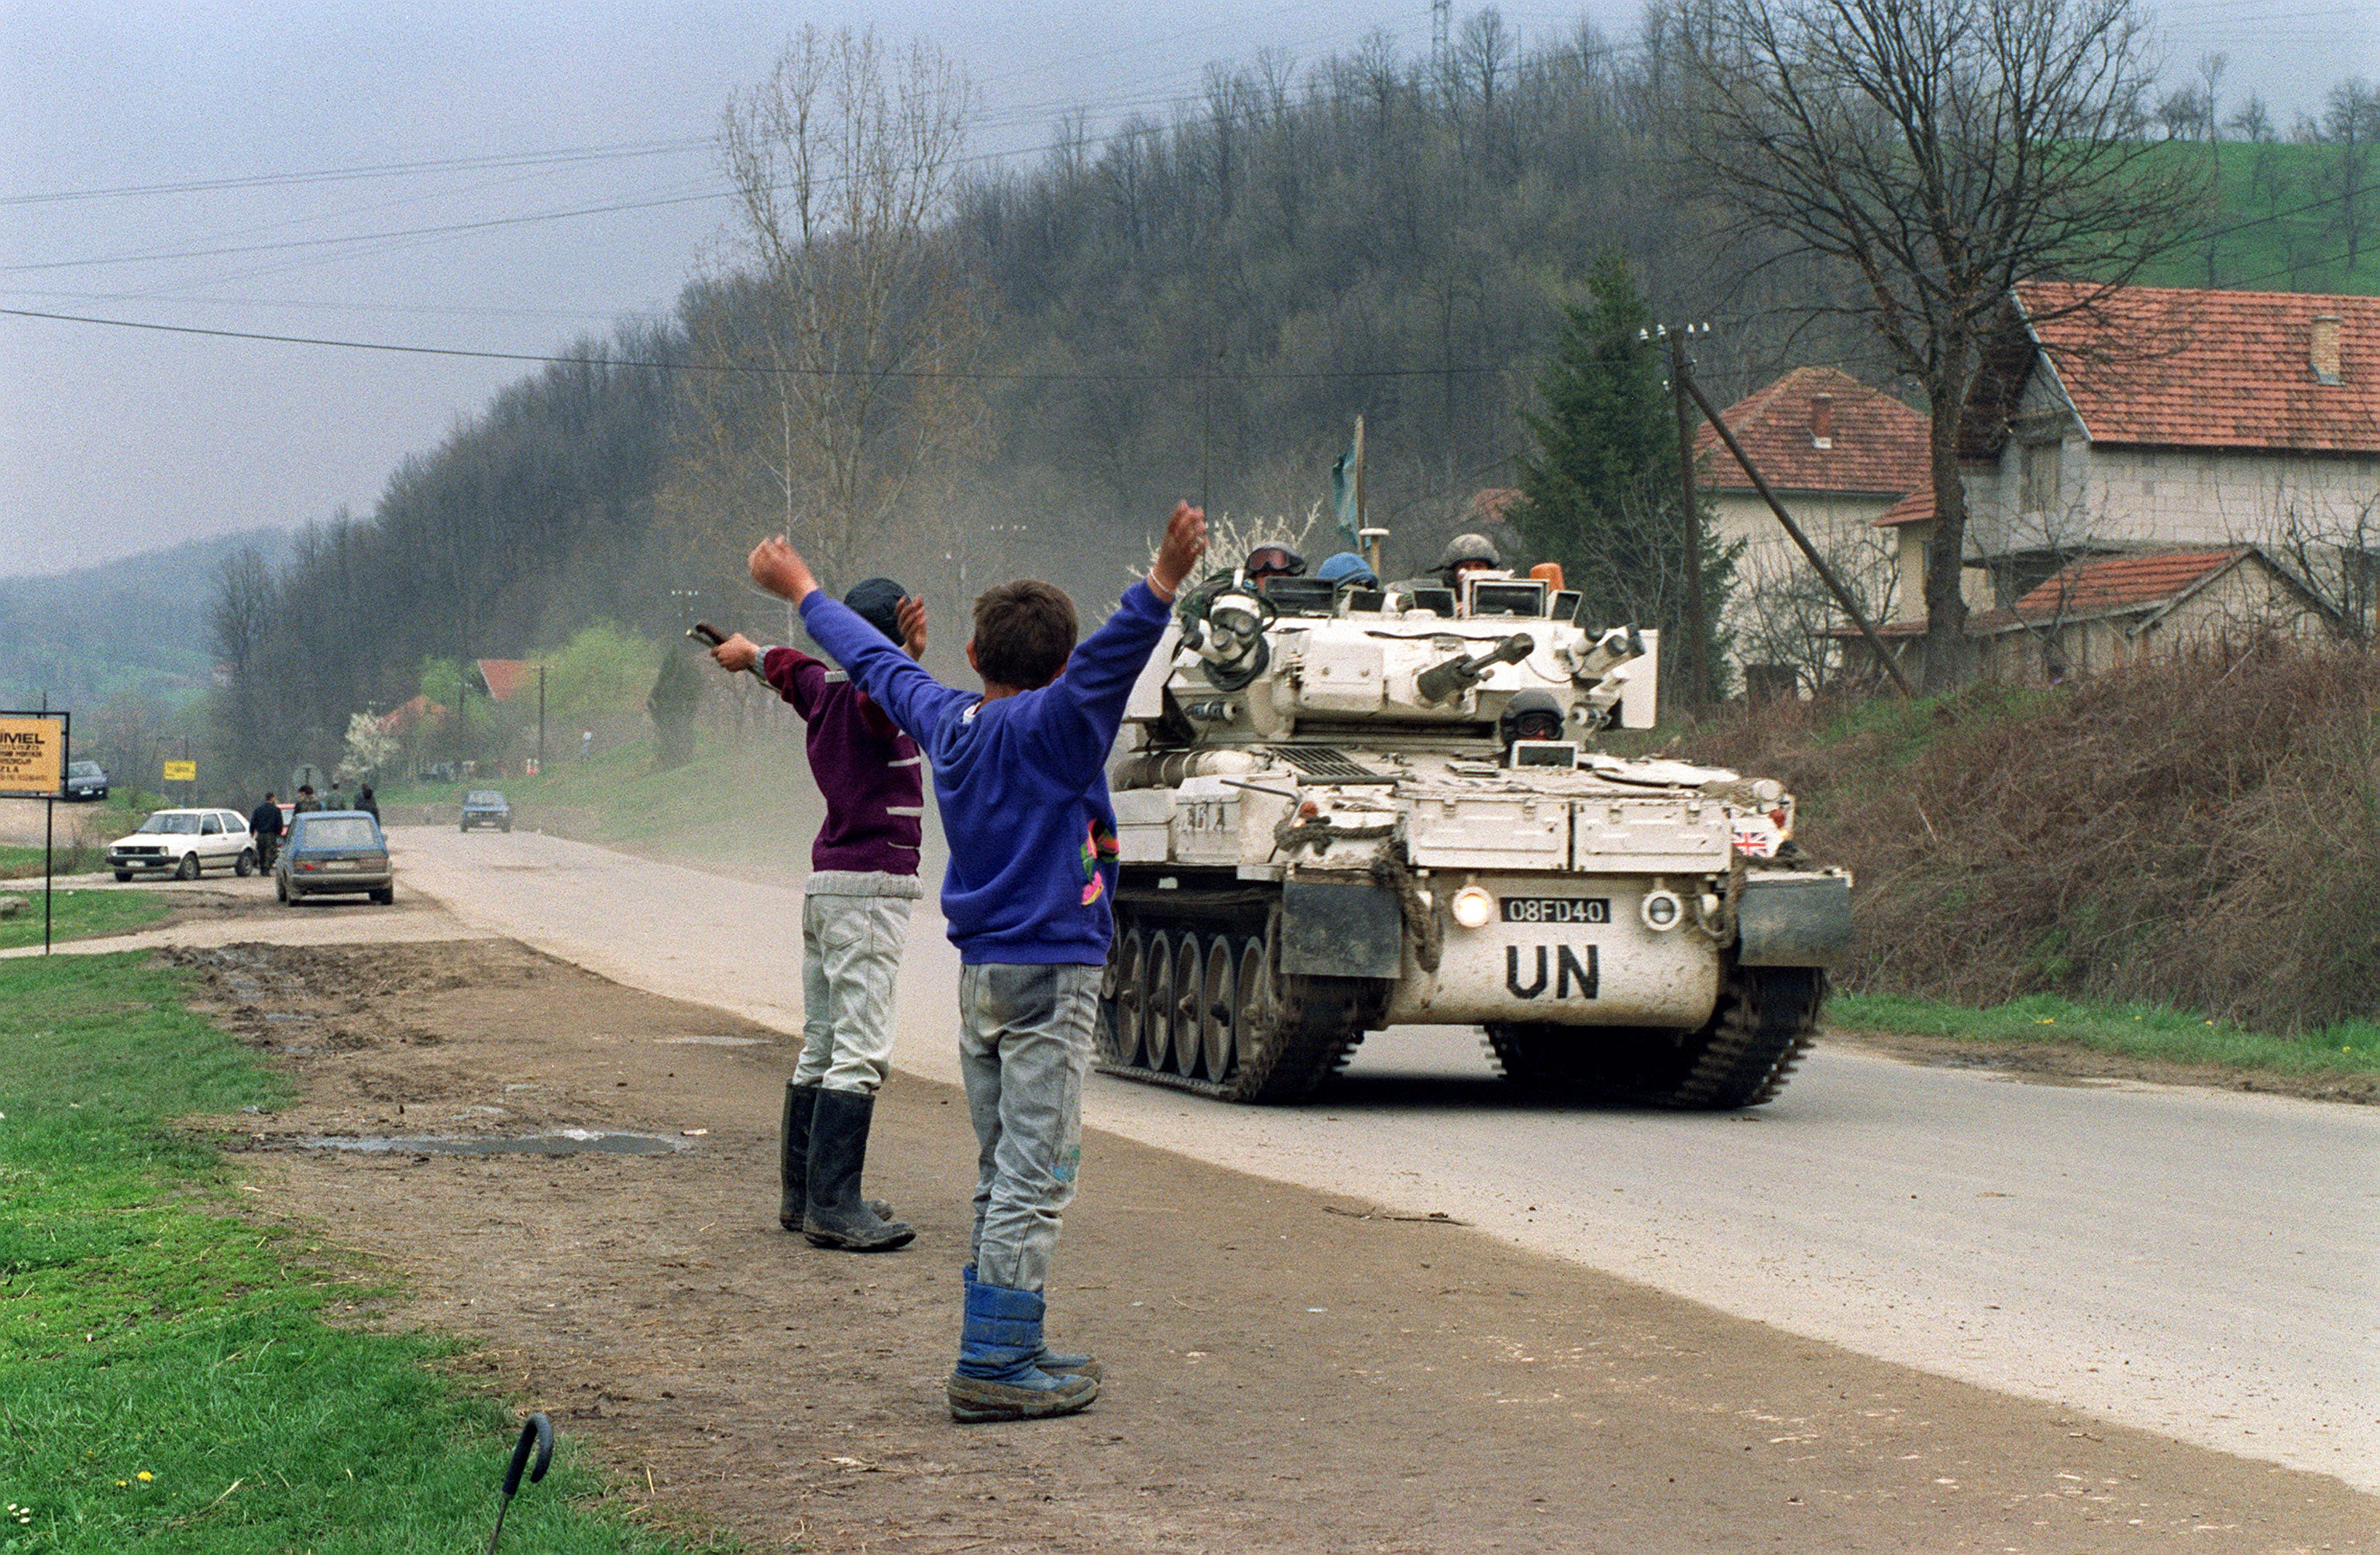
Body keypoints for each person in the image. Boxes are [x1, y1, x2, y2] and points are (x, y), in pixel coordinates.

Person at [748, 501, 1206, 1426]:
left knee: (1005, 1168)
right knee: (1037, 1176)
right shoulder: (1066, 724)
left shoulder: (947, 725)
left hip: (983, 982)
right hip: (1054, 979)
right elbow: (1118, 653)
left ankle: (1015, 1335)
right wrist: (1161, 580)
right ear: (1065, 668)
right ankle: (994, 1361)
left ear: (970, 658)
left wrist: (802, 590)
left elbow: (871, 659)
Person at [705, 580, 930, 1254]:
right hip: (868, 894)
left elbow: (788, 667)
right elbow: (882, 689)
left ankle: (803, 1193)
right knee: (861, 1051)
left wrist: (747, 653)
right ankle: (836, 1205)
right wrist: (907, 656)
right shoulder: (868, 696)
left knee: (822, 1043)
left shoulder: (822, 687)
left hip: (827, 887)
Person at [249, 791, 284, 871]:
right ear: (273, 798)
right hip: (271, 835)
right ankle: (266, 868)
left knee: (261, 852)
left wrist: (252, 831)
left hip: (260, 834)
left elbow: (253, 821)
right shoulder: (276, 810)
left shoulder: (259, 809)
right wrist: (278, 832)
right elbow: (279, 822)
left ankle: (262, 868)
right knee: (271, 852)